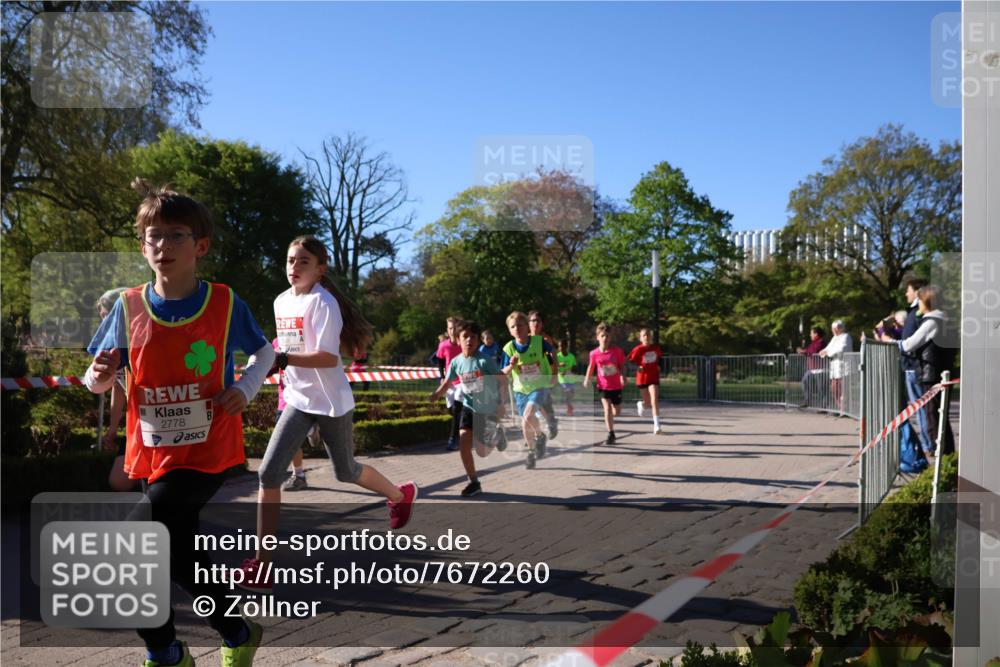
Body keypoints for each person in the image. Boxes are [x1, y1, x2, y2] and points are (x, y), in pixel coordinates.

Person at [84, 179, 273, 667]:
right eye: (153, 237)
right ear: (142, 246)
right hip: (153, 453)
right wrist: (100, 375)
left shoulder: (225, 303)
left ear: (201, 246)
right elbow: (96, 379)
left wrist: (244, 388)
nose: (162, 246)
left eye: (175, 235)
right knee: (181, 553)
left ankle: (165, 652)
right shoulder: (128, 307)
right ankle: (237, 630)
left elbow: (266, 352)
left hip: (207, 450)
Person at [238, 235, 418, 591]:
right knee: (269, 474)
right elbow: (286, 347)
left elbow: (327, 358)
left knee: (346, 471)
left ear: (320, 270)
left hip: (331, 402)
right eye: (290, 260)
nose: (294, 267)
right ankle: (262, 567)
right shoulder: (280, 301)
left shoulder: (324, 303)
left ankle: (400, 495)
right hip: (297, 400)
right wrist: (271, 362)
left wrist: (283, 359)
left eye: (303, 261)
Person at [431, 320, 508, 496]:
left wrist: (501, 404)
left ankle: (497, 436)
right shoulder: (457, 362)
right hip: (468, 406)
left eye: (473, 337)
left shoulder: (484, 360)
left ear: (478, 341)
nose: (469, 340)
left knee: (483, 448)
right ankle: (473, 482)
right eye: (465, 336)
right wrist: (437, 394)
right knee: (464, 441)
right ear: (458, 340)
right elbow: (447, 382)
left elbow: (502, 379)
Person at [897, 284, 956, 456]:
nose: (918, 303)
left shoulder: (932, 321)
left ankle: (941, 458)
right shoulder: (944, 320)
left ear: (927, 301)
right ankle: (947, 457)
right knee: (939, 417)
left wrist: (891, 344)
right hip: (940, 373)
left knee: (933, 419)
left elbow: (909, 344)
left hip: (931, 375)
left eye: (920, 300)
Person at [94, 287, 137, 492]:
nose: (104, 323)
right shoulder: (112, 347)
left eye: (107, 316)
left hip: (159, 420)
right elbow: (119, 389)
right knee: (118, 481)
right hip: (135, 422)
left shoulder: (138, 341)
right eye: (101, 317)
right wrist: (112, 429)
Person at [501, 311, 555, 469]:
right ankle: (537, 440)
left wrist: (554, 372)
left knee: (528, 414)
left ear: (527, 326)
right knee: (527, 421)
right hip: (521, 390)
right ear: (510, 331)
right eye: (513, 327)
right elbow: (503, 371)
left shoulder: (539, 342)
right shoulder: (509, 349)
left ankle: (531, 452)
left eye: (520, 325)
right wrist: (511, 365)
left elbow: (550, 355)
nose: (517, 328)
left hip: (539, 385)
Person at [272, 337, 322, 492]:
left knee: (289, 439)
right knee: (291, 441)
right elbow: (270, 367)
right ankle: (299, 475)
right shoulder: (276, 342)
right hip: (284, 399)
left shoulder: (306, 338)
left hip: (303, 398)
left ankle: (298, 476)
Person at [583, 323, 626, 445]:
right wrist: (587, 379)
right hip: (603, 386)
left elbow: (622, 366)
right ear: (597, 337)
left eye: (607, 336)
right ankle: (611, 433)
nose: (605, 338)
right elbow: (591, 367)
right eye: (602, 336)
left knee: (616, 412)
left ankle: (612, 416)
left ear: (610, 337)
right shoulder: (594, 353)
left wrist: (623, 376)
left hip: (616, 386)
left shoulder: (617, 351)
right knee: (606, 409)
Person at [527, 311, 559, 439]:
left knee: (543, 402)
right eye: (532, 320)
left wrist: (554, 372)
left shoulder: (545, 339)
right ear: (528, 323)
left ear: (542, 324)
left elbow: (551, 356)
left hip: (544, 376)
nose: (535, 323)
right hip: (529, 377)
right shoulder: (525, 338)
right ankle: (532, 433)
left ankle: (551, 423)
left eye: (538, 321)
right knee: (532, 405)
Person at [627, 328, 663, 434]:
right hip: (642, 378)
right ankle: (641, 404)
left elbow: (660, 359)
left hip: (653, 377)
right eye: (644, 335)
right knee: (648, 403)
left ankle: (657, 425)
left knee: (654, 400)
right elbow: (629, 362)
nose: (646, 337)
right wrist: (637, 367)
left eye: (648, 335)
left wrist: (659, 366)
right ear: (640, 338)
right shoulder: (638, 349)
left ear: (651, 337)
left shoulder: (656, 348)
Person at [818, 320, 853, 412]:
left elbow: (842, 349)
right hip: (835, 368)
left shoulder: (846, 336)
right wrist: (823, 351)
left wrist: (828, 353)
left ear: (838, 328)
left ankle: (844, 409)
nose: (833, 330)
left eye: (834, 328)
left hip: (844, 367)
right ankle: (840, 407)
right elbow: (829, 347)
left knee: (844, 390)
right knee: (834, 389)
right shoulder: (834, 338)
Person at [796, 326, 826, 408]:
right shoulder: (813, 342)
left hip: (820, 369)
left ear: (816, 334)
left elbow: (814, 351)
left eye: (811, 333)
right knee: (804, 382)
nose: (810, 335)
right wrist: (803, 351)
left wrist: (803, 351)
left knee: (821, 389)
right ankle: (807, 401)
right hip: (811, 369)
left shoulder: (821, 342)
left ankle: (823, 407)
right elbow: (809, 350)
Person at [555, 339, 578, 416]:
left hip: (571, 379)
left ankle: (569, 405)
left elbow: (575, 367)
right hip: (562, 380)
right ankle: (569, 407)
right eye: (559, 346)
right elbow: (553, 367)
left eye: (562, 346)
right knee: (567, 392)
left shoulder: (571, 356)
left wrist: (569, 371)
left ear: (566, 346)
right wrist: (559, 367)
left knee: (571, 394)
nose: (560, 347)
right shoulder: (557, 356)